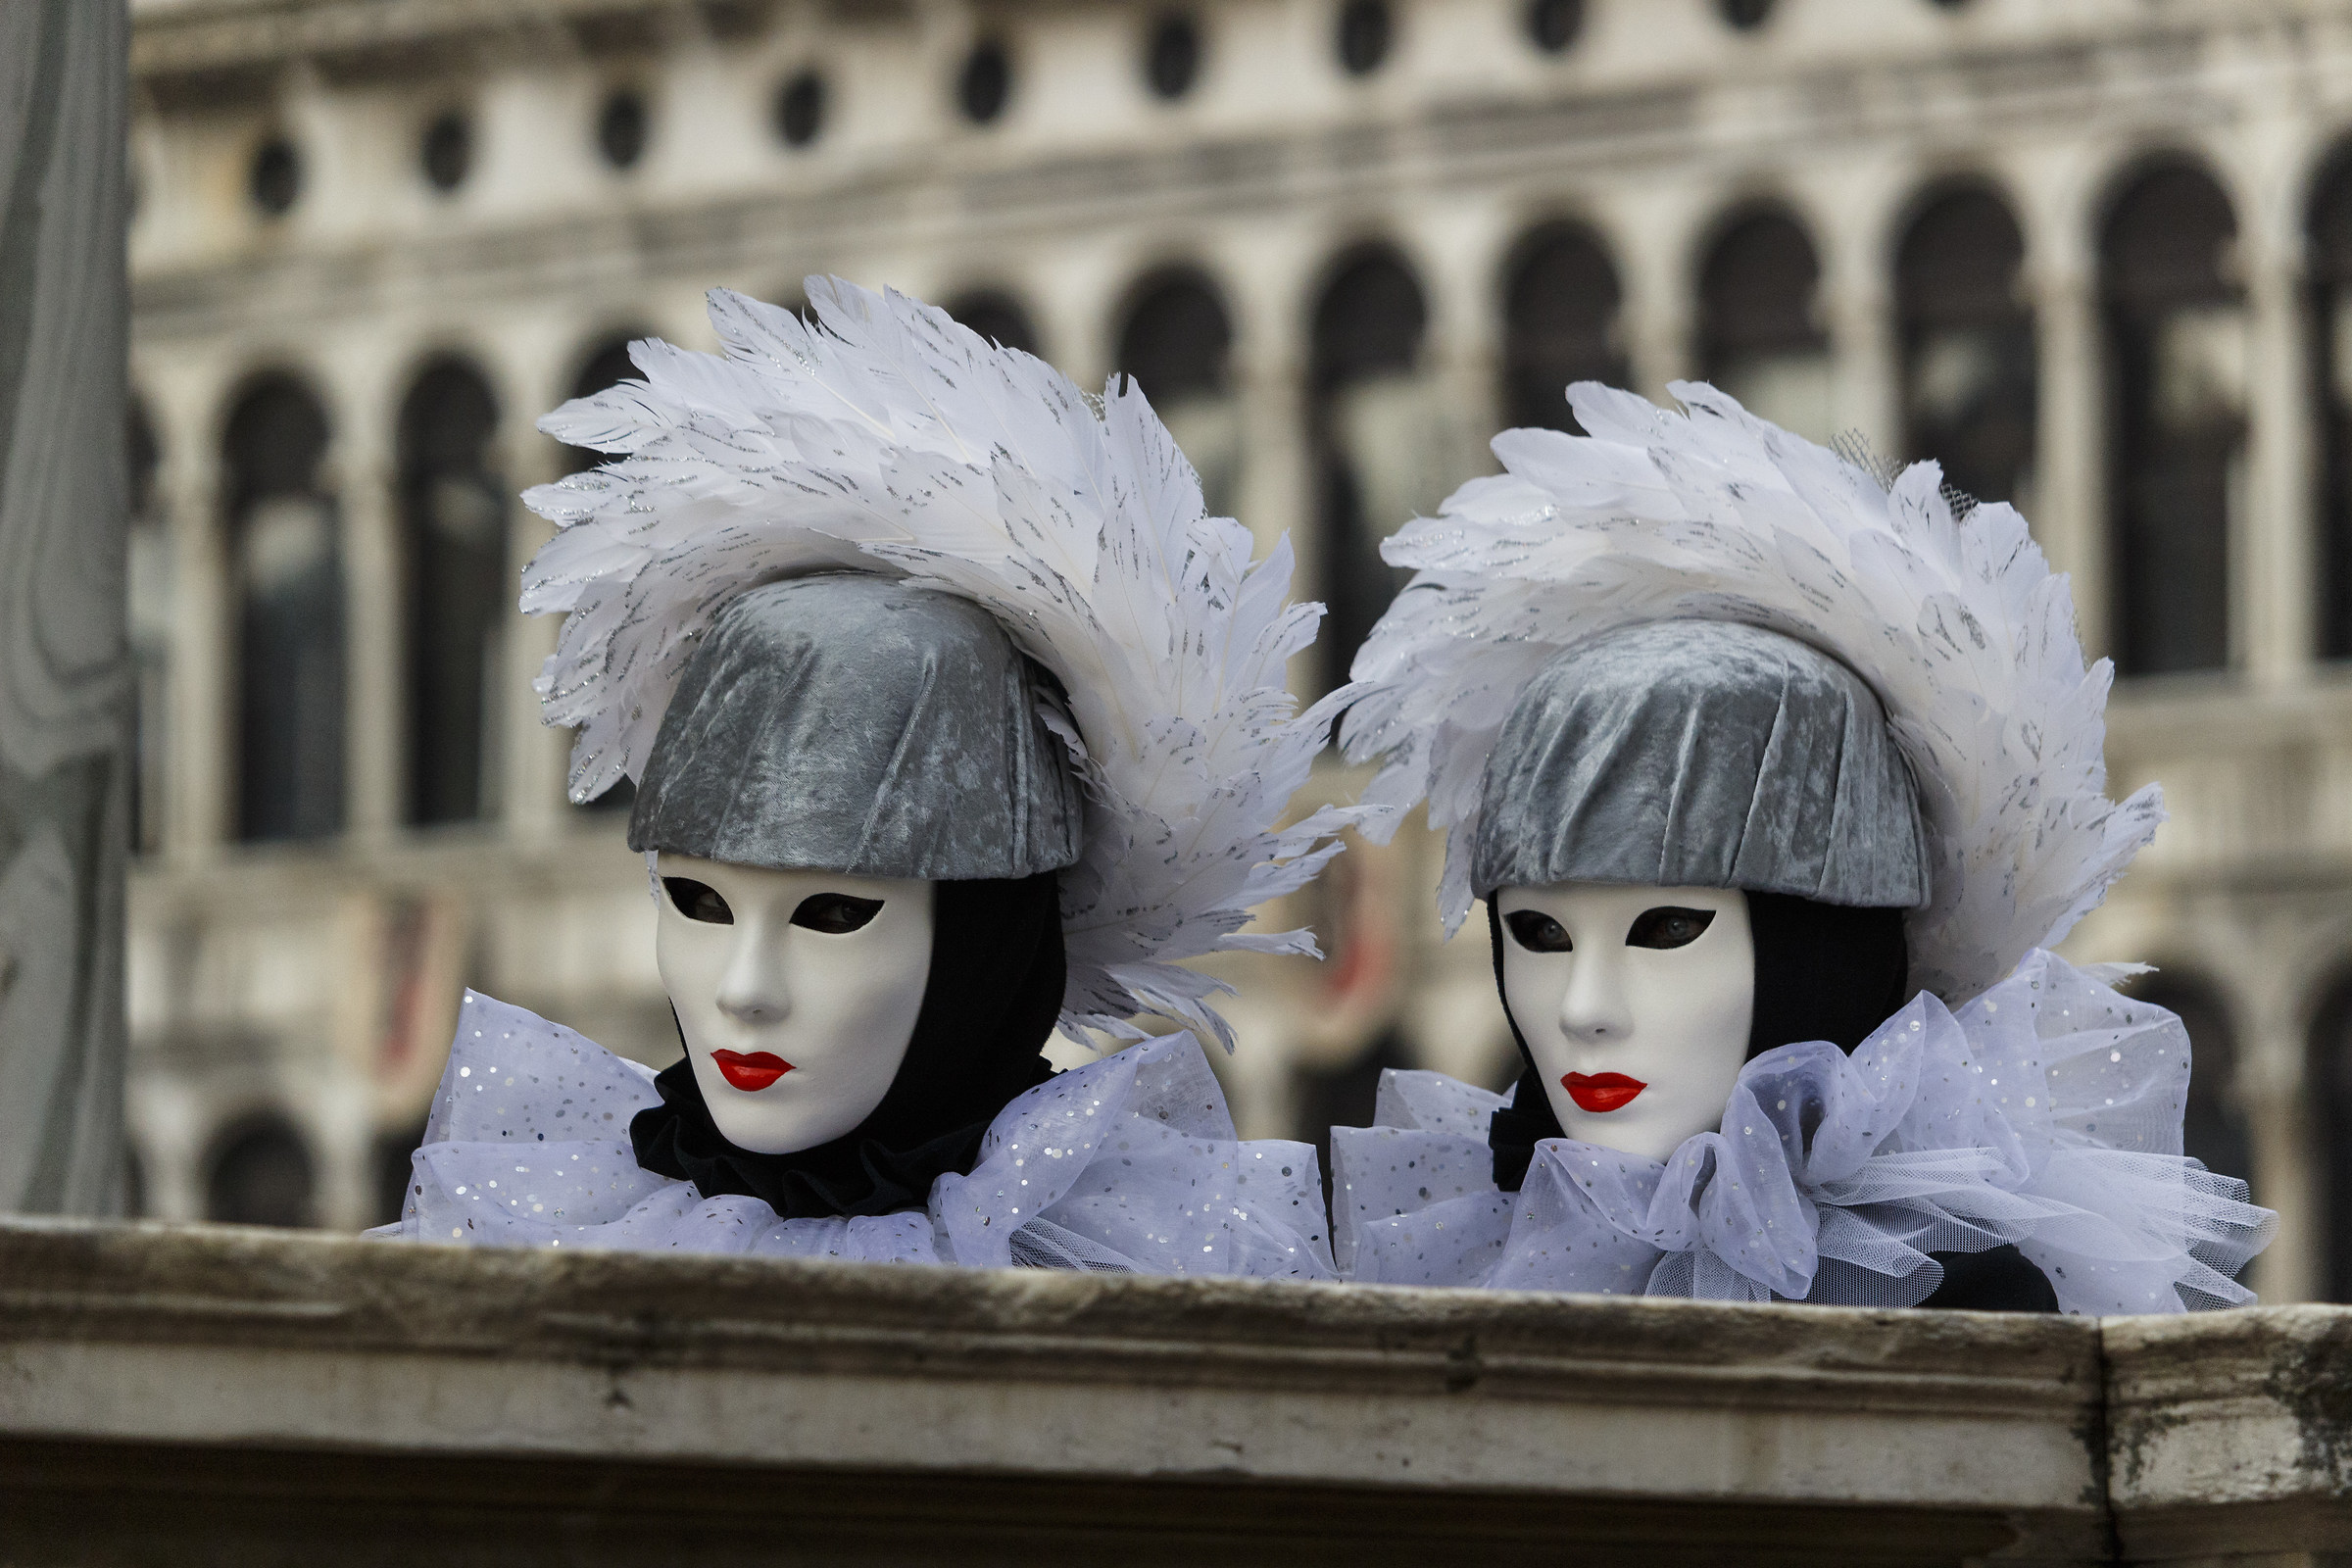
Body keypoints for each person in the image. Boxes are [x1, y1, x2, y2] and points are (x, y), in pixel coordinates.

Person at [372, 280, 1363, 1274]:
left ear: (987, 946)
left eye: (833, 915)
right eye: (697, 901)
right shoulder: (543, 1231)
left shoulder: (1136, 1260)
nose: (745, 993)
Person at [1328, 381, 2275, 1313]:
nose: (1585, 1010)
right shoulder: (1468, 1261)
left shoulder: (1948, 1289)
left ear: (1818, 949)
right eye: (1538, 934)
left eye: (1664, 930)